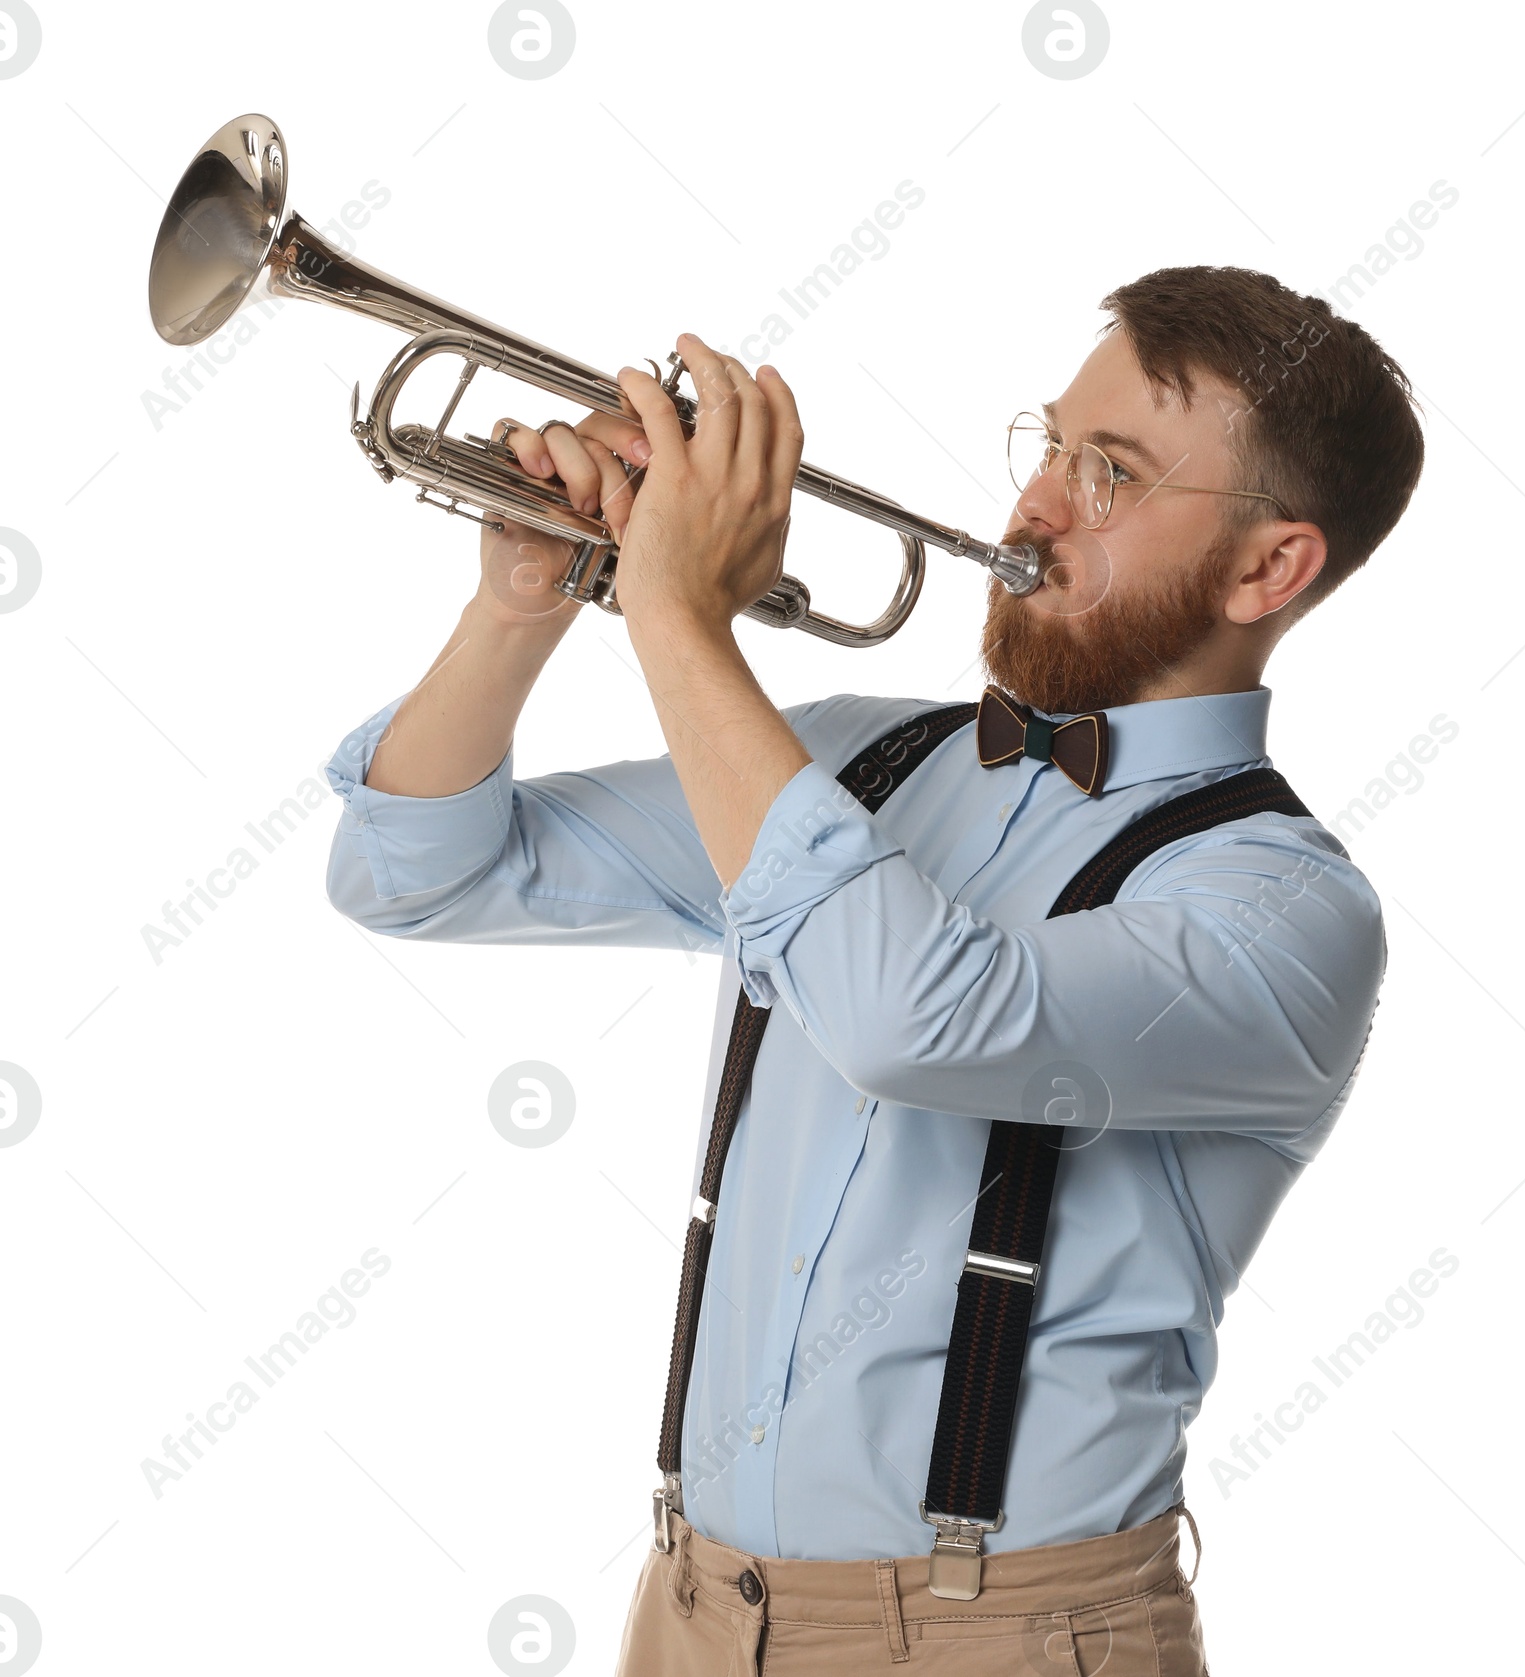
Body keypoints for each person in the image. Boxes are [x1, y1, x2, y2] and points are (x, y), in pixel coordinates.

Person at [323, 265, 1424, 1675]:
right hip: (692, 1608)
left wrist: (675, 614)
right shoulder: (857, 759)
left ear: (1271, 568)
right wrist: (525, 599)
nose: (1036, 504)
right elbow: (418, 872)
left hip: (1016, 1635)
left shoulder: (1286, 906)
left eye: (1113, 472)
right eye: (1050, 445)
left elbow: (917, 1017)